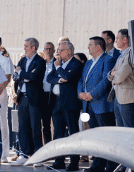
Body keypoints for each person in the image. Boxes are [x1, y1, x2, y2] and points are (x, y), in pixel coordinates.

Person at [78, 37, 117, 172]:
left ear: (98, 47)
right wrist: (80, 93)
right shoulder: (89, 63)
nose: (88, 47)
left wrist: (91, 94)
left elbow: (106, 81)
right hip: (88, 105)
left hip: (102, 105)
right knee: (96, 137)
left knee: (107, 137)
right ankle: (97, 166)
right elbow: (81, 80)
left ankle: (111, 167)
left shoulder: (108, 60)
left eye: (90, 45)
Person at [45, 41, 81, 171]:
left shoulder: (75, 64)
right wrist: (60, 79)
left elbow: (69, 76)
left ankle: (74, 162)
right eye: (58, 50)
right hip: (57, 102)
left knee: (73, 133)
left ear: (69, 51)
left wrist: (59, 69)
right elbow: (49, 78)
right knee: (58, 133)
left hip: (70, 103)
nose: (58, 52)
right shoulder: (57, 63)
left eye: (61, 50)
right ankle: (59, 161)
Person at [12, 37, 46, 165]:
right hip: (22, 98)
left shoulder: (40, 61)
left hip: (34, 99)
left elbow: (35, 77)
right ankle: (24, 154)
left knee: (35, 127)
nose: (24, 48)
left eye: (26, 46)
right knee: (22, 127)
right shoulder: (22, 60)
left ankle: (38, 156)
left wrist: (22, 73)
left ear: (33, 48)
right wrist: (26, 75)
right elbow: (16, 76)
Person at [111, 29, 134, 130]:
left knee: (129, 130)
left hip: (127, 98)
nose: (115, 41)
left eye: (117, 38)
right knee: (120, 130)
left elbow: (120, 76)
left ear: (125, 40)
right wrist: (113, 74)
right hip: (118, 96)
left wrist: (114, 75)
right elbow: (110, 73)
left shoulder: (131, 54)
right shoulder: (121, 55)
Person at [39, 42, 56, 146]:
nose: (48, 51)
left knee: (57, 124)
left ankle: (57, 148)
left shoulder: (58, 63)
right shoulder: (40, 63)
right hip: (43, 96)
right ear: (43, 51)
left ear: (54, 50)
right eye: (46, 49)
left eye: (50, 49)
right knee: (45, 125)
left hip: (54, 96)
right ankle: (48, 147)